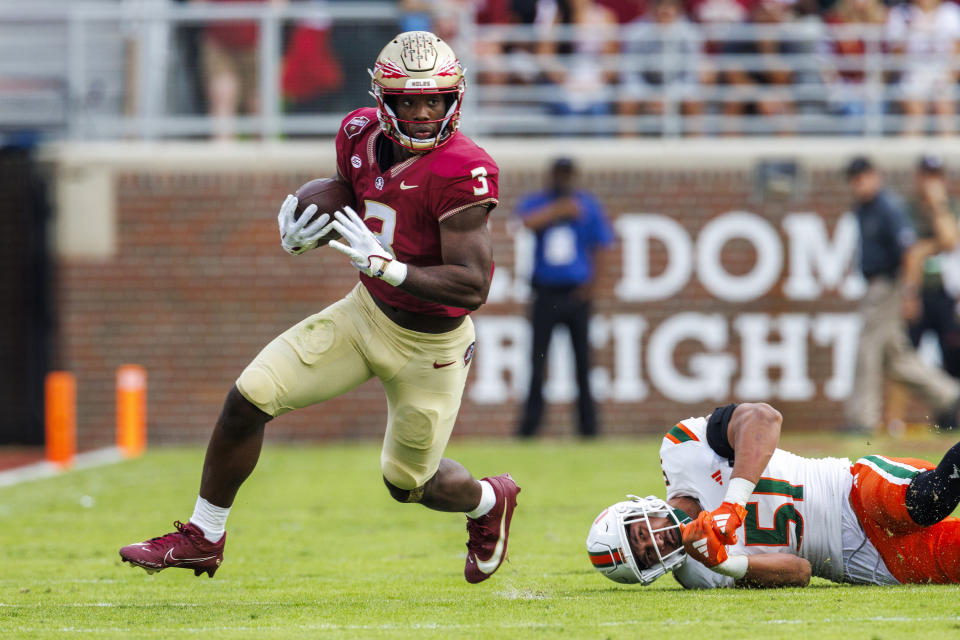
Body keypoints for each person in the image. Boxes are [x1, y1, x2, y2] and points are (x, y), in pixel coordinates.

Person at [119, 31, 520, 585]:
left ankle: (486, 500)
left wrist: (389, 266)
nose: (424, 112)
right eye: (409, 100)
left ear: (456, 99)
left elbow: (473, 286)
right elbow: (345, 187)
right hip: (364, 315)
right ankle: (203, 536)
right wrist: (303, 223)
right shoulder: (358, 132)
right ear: (384, 101)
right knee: (249, 397)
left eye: (435, 100)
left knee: (408, 484)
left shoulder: (462, 168)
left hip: (431, 346)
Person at [587, 402, 960, 588]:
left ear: (636, 509)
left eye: (640, 534)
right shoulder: (698, 574)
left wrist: (733, 503)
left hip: (849, 490)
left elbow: (765, 418)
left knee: (927, 502)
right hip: (862, 562)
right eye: (647, 555)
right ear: (655, 570)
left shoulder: (682, 448)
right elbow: (801, 572)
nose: (655, 541)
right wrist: (727, 564)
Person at [844, 155, 960, 434]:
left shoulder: (889, 208)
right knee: (897, 357)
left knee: (868, 349)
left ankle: (864, 420)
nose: (859, 184)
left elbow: (940, 242)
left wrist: (909, 292)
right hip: (895, 285)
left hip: (901, 286)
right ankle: (949, 394)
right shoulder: (886, 206)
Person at [516, 157, 616, 438]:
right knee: (537, 362)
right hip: (545, 292)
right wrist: (559, 211)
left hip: (576, 294)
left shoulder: (588, 205)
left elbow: (602, 245)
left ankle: (589, 430)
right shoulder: (540, 202)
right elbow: (526, 221)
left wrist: (593, 286)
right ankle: (529, 429)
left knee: (583, 363)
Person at [905, 154, 960, 378]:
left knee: (952, 356)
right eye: (927, 176)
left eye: (935, 176)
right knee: (905, 356)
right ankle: (894, 414)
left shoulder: (950, 207)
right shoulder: (908, 209)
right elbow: (908, 249)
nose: (931, 182)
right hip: (917, 292)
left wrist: (938, 203)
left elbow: (950, 241)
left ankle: (950, 411)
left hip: (945, 293)